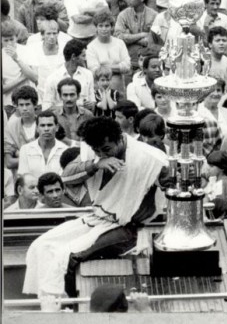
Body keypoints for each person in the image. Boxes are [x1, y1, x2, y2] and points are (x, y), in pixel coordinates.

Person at [25, 116, 168, 298]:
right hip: (98, 219)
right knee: (41, 245)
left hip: (130, 230)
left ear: (119, 138)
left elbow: (168, 184)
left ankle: (70, 307)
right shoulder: (96, 154)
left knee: (68, 257)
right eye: (97, 150)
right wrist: (95, 164)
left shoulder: (150, 158)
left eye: (107, 149)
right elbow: (66, 177)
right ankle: (52, 304)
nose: (103, 154)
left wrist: (168, 179)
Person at [41, 38, 95, 110]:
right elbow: (46, 107)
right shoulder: (53, 78)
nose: (85, 59)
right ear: (73, 57)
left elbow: (93, 103)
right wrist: (69, 108)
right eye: (83, 56)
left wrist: (91, 105)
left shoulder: (88, 75)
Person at [202, 151, 227, 220]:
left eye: (212, 166)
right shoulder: (217, 180)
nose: (208, 169)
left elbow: (220, 207)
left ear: (222, 168)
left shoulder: (223, 182)